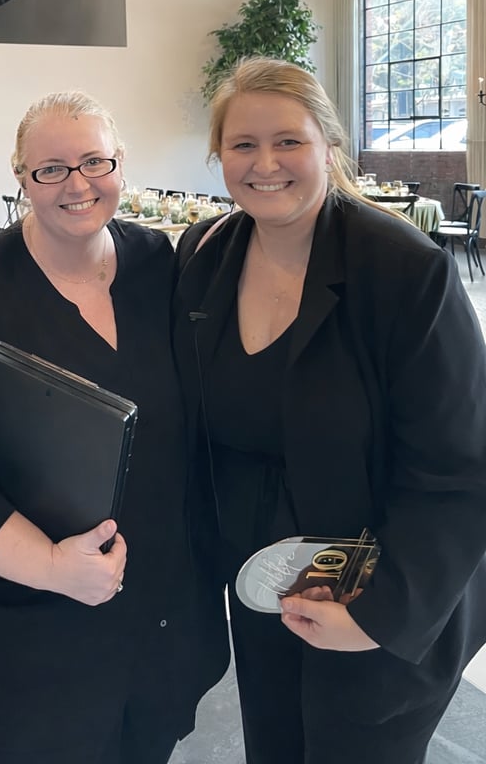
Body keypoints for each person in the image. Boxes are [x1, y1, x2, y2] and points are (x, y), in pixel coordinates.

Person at [0, 90, 229, 764]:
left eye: (95, 161)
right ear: (20, 179)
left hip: (154, 631)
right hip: (23, 652)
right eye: (51, 169)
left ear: (122, 165)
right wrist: (47, 566)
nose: (78, 184)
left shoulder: (161, 267)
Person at [172, 56, 486, 764]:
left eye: (289, 141)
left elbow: (460, 470)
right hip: (264, 582)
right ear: (219, 153)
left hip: (383, 584)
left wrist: (375, 615)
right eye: (242, 144)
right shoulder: (206, 254)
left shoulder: (405, 271)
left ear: (329, 147)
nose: (265, 163)